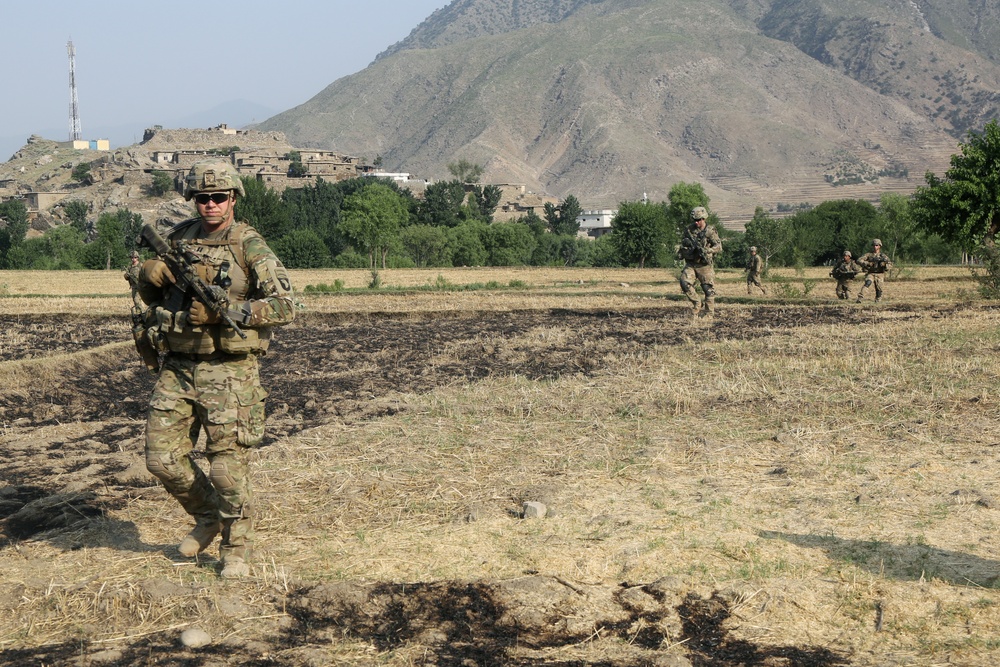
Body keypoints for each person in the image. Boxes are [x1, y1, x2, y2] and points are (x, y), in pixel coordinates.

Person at [136, 160, 295, 578]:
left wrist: (226, 311)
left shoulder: (250, 245)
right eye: (202, 198)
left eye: (218, 197)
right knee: (161, 459)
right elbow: (151, 298)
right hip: (179, 365)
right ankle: (208, 517)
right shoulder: (179, 238)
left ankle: (236, 548)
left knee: (226, 468)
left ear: (234, 198)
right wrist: (148, 276)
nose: (210, 205)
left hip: (230, 372)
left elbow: (286, 306)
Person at [678, 206, 722, 317]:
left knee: (708, 289)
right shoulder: (689, 230)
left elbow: (719, 247)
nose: (696, 222)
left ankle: (709, 313)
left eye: (698, 220)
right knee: (684, 282)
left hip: (704, 264)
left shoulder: (710, 231)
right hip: (691, 263)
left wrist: (708, 250)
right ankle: (697, 303)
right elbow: (683, 243)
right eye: (695, 220)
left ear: (704, 218)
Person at [856, 239, 892, 303]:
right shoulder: (869, 255)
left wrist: (884, 265)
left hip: (880, 274)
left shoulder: (883, 256)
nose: (875, 247)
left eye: (876, 245)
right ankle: (860, 298)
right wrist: (867, 263)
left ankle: (878, 300)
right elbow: (859, 260)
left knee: (879, 289)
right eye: (874, 245)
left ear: (879, 246)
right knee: (868, 283)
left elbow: (890, 265)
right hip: (871, 273)